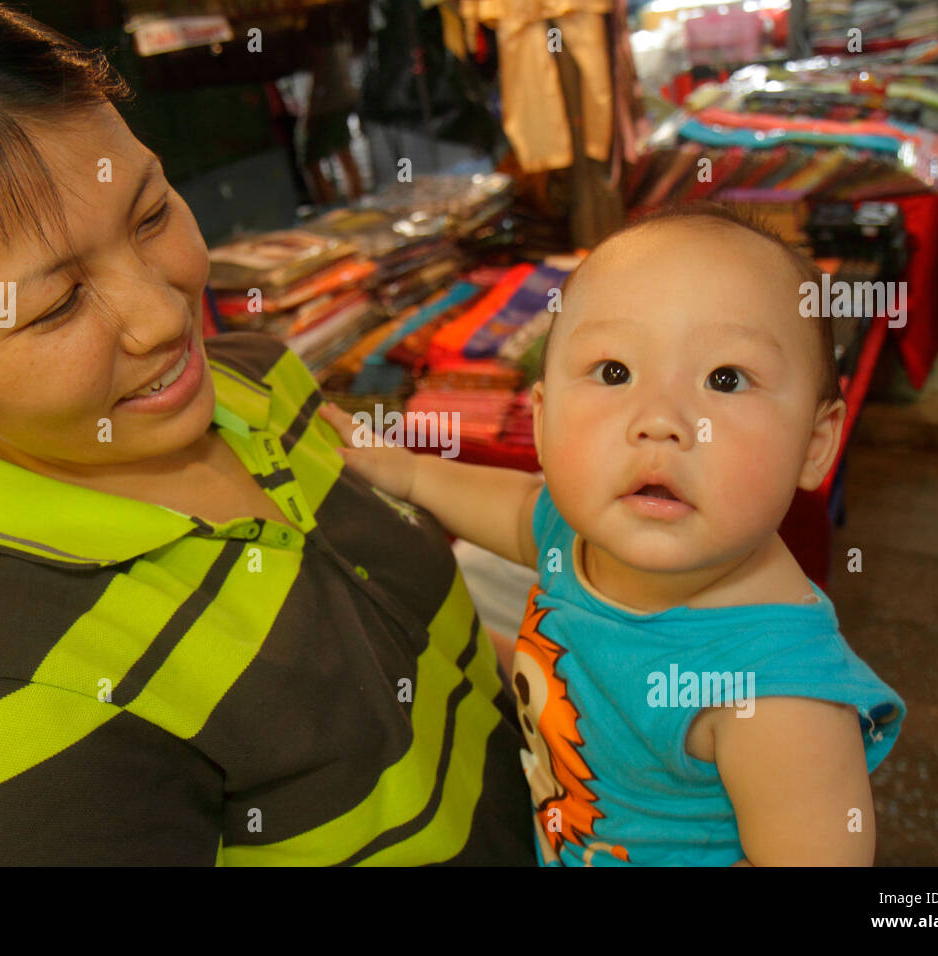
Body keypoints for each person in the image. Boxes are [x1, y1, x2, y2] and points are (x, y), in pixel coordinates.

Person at [0, 0, 536, 865]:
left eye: (153, 213)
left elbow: (434, 651)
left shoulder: (258, 378)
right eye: (54, 305)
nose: (163, 316)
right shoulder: (6, 714)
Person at [321, 203, 907, 866]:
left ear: (815, 442)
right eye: (614, 372)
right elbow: (521, 511)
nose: (659, 420)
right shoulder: (576, 535)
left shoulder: (776, 698)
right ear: (541, 421)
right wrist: (409, 473)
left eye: (725, 379)